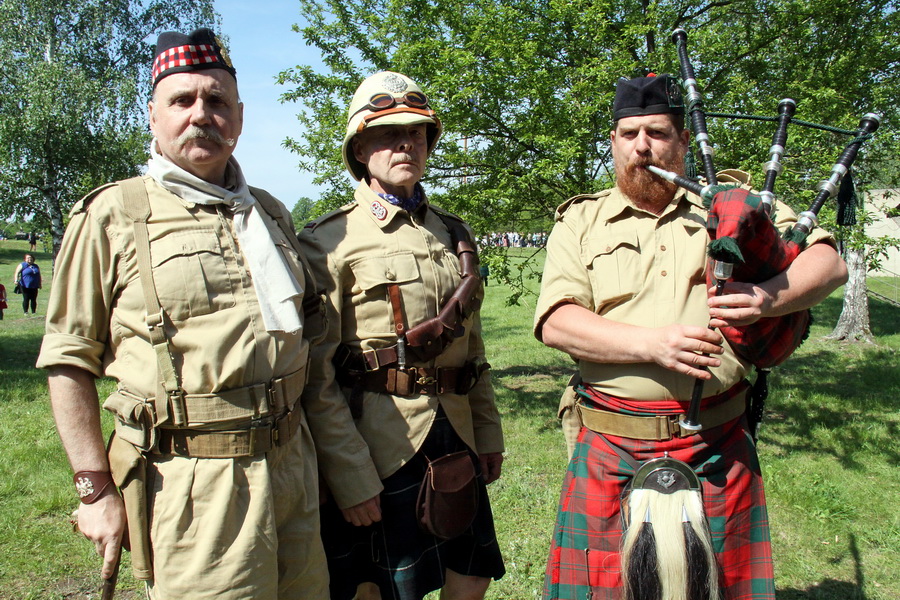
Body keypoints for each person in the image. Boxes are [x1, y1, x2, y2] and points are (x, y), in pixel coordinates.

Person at [36, 28, 379, 599]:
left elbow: (309, 345)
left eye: (217, 100)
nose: (201, 114)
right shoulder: (113, 215)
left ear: (238, 117)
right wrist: (94, 490)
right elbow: (68, 359)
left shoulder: (269, 213)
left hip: (293, 466)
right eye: (182, 100)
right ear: (153, 115)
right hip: (193, 484)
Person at [534, 74, 848, 600]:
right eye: (628, 134)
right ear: (613, 142)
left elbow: (829, 264)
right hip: (611, 442)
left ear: (682, 140)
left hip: (716, 444)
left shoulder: (733, 204)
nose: (642, 146)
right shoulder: (581, 220)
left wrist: (768, 298)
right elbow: (557, 322)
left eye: (657, 132)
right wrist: (653, 345)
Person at [299, 71, 506, 600]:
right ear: (360, 148)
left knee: (471, 572)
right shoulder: (329, 241)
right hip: (380, 446)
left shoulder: (453, 233)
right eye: (389, 134)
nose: (406, 143)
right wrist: (349, 475)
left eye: (416, 132)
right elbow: (316, 377)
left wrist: (487, 434)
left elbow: (472, 349)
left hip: (456, 433)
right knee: (380, 588)